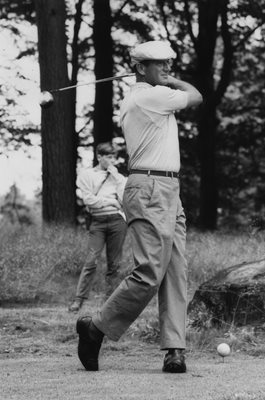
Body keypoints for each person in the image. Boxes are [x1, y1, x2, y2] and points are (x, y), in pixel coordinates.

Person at [76, 41, 203, 372]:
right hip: (150, 188)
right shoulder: (150, 96)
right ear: (141, 68)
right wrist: (173, 82)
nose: (166, 69)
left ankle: (175, 349)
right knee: (149, 272)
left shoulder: (142, 95)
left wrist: (164, 79)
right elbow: (197, 95)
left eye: (168, 64)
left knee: (176, 269)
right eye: (159, 64)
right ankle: (95, 327)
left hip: (167, 187)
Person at [68, 142, 127, 312]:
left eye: (112, 157)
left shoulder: (119, 177)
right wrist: (111, 201)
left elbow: (123, 201)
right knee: (91, 259)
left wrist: (116, 177)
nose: (111, 160)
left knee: (114, 264)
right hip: (98, 222)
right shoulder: (87, 175)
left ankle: (110, 303)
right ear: (99, 156)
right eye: (107, 156)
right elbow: (89, 200)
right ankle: (78, 299)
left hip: (117, 221)